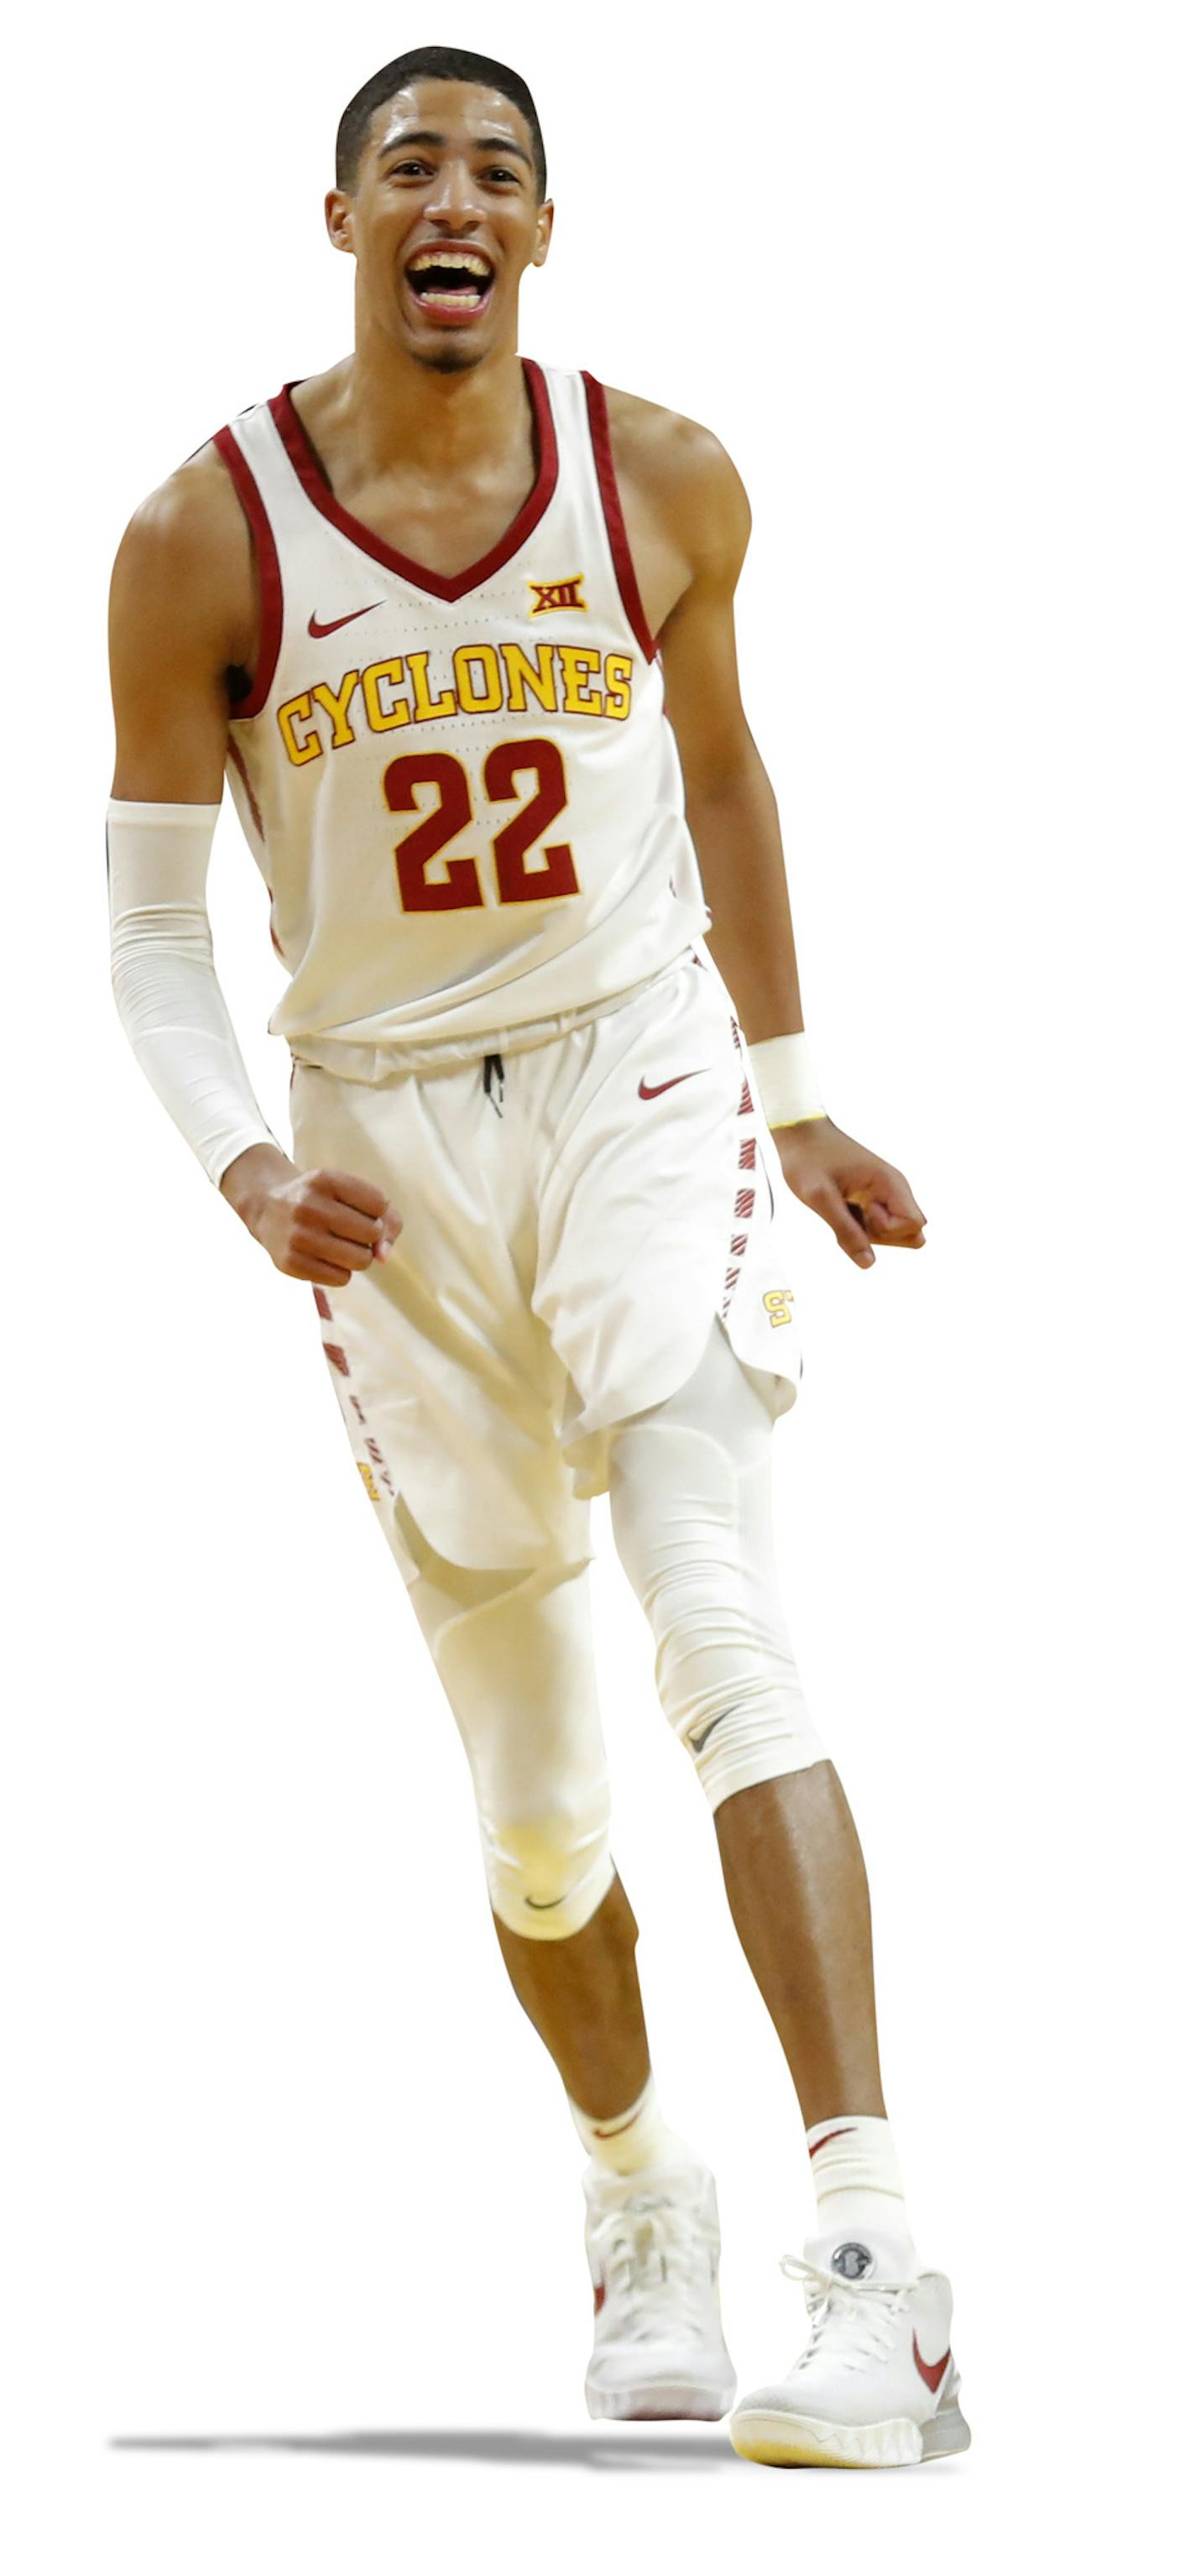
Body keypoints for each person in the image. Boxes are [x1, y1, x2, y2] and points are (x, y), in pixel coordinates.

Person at [106, 44, 969, 2469]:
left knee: (722, 1615)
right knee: (540, 1808)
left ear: (545, 233)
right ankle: (634, 2194)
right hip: (381, 1155)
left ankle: (881, 2257)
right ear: (342, 221)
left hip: (632, 1079)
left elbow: (722, 779)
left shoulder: (663, 474)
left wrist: (796, 1110)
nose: (451, 201)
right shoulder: (205, 531)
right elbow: (154, 939)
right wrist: (243, 1174)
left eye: (495, 171)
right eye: (412, 170)